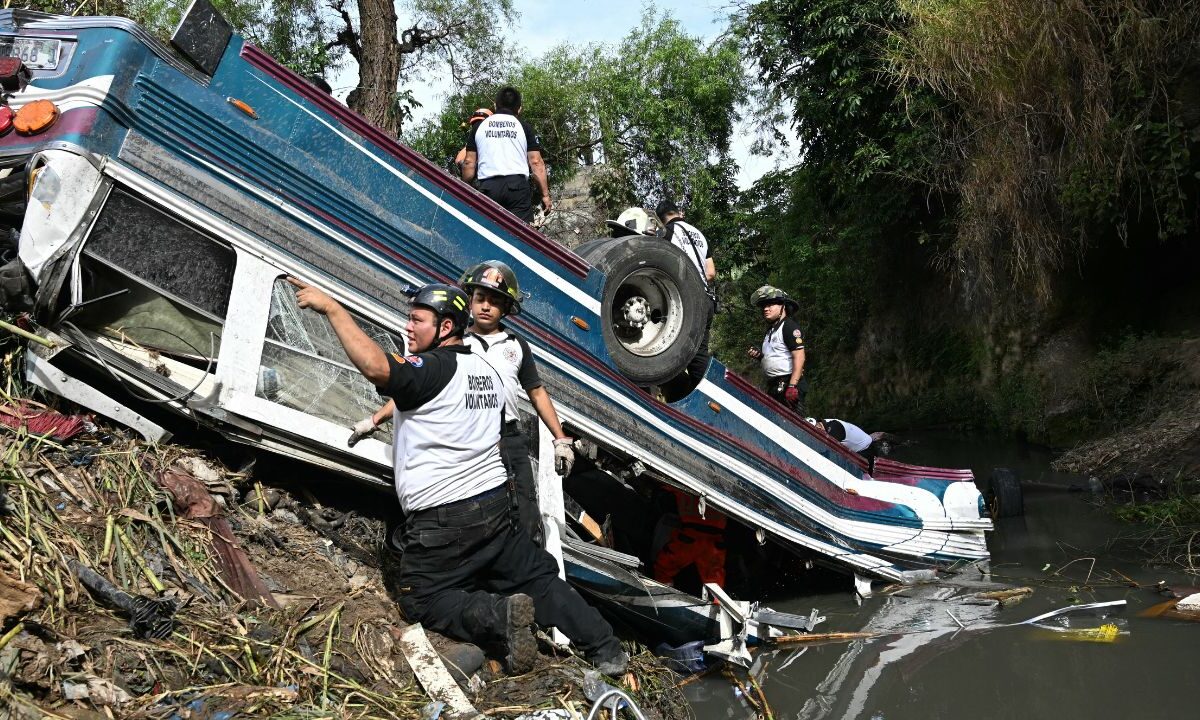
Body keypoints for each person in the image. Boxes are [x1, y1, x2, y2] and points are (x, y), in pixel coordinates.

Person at [289, 277, 626, 675]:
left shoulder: (431, 368)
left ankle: (500, 616)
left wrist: (333, 308)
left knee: (421, 597)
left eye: (417, 320)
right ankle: (607, 649)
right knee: (537, 578)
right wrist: (381, 416)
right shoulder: (483, 367)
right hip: (495, 503)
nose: (407, 328)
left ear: (445, 327)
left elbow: (378, 367)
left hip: (447, 519)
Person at [350, 261, 577, 544]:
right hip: (466, 437)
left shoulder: (516, 346)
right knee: (470, 510)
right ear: (469, 301)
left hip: (508, 438)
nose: (485, 307)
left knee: (524, 512)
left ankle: (521, 573)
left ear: (506, 309)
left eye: (494, 302)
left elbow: (537, 392)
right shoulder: (455, 344)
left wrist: (561, 440)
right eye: (480, 299)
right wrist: (374, 420)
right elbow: (420, 389)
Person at [461, 86, 551, 223]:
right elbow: (536, 162)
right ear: (519, 108)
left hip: (489, 189)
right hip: (518, 189)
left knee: (489, 233)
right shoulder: (524, 127)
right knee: (521, 236)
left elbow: (468, 163)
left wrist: (464, 186)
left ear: (495, 105)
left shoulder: (479, 127)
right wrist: (545, 195)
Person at [655, 199, 715, 397]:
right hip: (706, 299)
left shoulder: (668, 232)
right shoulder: (700, 235)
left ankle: (695, 397)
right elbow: (711, 272)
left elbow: (659, 262)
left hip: (686, 299)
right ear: (678, 212)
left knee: (668, 346)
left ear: (661, 218)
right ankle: (708, 396)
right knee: (700, 352)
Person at [746, 285, 807, 413]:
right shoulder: (771, 331)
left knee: (792, 426)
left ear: (783, 306)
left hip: (789, 385)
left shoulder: (789, 326)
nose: (765, 309)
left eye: (770, 305)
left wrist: (792, 386)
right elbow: (776, 357)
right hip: (774, 385)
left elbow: (799, 356)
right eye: (763, 306)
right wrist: (759, 356)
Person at [653, 487, 727, 588]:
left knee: (664, 568)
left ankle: (662, 592)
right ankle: (716, 601)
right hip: (713, 540)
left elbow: (665, 482)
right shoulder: (723, 488)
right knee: (714, 581)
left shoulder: (684, 483)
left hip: (691, 536)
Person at [453, 108, 492, 173]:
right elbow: (459, 161)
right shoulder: (468, 149)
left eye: (480, 124)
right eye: (475, 125)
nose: (477, 127)